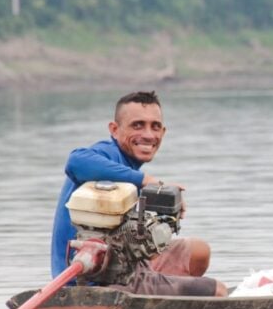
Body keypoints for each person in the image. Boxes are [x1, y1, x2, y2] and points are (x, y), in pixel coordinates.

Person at [50, 90, 227, 297]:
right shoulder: (108, 154)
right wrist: (147, 182)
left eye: (155, 127)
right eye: (137, 125)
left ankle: (168, 303)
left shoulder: (128, 168)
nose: (149, 135)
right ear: (114, 130)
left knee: (198, 251)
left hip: (124, 263)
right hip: (93, 280)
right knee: (218, 292)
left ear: (163, 132)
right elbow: (76, 161)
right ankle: (174, 297)